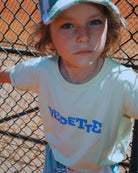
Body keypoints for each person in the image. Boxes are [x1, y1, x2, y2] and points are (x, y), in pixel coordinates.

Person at [0, 0, 137, 172]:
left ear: (108, 29)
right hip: (55, 162)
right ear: (49, 38)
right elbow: (9, 74)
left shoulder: (123, 83)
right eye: (67, 25)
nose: (83, 36)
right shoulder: (42, 71)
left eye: (95, 22)